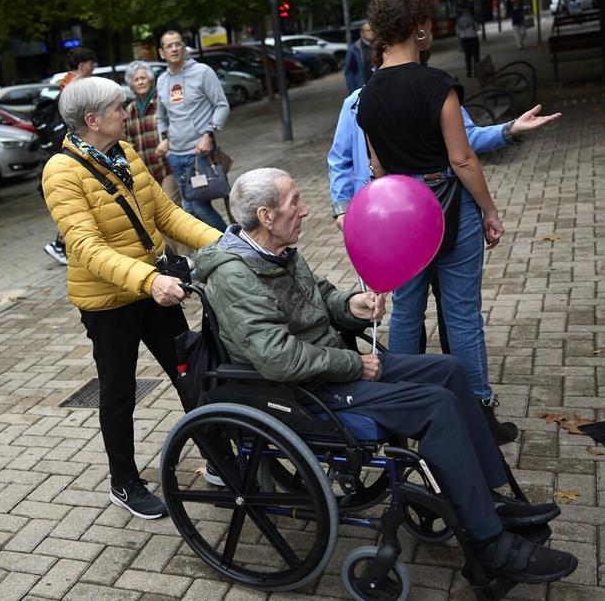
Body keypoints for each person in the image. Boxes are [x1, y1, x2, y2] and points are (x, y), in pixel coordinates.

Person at [195, 168, 577, 587]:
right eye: (295, 203)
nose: (305, 210)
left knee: (448, 370)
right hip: (301, 391)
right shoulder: (235, 274)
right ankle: (490, 545)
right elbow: (278, 359)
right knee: (435, 406)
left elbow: (321, 296)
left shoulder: (279, 250)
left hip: (330, 367)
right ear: (266, 216)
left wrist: (350, 304)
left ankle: (487, 497)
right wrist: (356, 365)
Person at [42, 76, 222, 519]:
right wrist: (148, 280)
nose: (128, 113)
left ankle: (220, 456)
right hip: (110, 301)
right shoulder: (61, 172)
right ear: (93, 120)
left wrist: (225, 244)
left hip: (154, 287)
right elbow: (85, 247)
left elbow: (167, 215)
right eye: (120, 108)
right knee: (119, 390)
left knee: (190, 373)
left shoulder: (125, 154)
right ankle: (123, 481)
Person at [356, 0, 516, 442]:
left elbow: (379, 166)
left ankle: (405, 402)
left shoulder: (367, 95)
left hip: (401, 211)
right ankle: (477, 412)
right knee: (462, 313)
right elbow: (462, 159)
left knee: (406, 311)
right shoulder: (438, 85)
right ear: (421, 27)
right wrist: (489, 210)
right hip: (449, 206)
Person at [328, 85, 561, 367]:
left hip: (443, 207)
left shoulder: (429, 89)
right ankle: (419, 384)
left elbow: (466, 138)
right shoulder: (358, 101)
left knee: (447, 305)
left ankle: (446, 378)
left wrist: (510, 130)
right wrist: (342, 209)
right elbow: (340, 159)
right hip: (387, 216)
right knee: (409, 308)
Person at [155, 30, 231, 231]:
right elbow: (161, 117)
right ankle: (211, 252)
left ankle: (230, 243)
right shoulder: (161, 80)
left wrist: (209, 135)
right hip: (175, 155)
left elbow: (222, 106)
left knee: (198, 205)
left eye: (178, 44)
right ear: (161, 53)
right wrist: (163, 138)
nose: (174, 49)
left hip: (199, 153)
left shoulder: (203, 72)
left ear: (184, 47)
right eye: (169, 46)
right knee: (189, 207)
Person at [39, 47, 98, 265]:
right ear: (83, 64)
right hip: (75, 149)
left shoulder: (63, 82)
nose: (93, 68)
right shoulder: (76, 86)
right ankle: (61, 245)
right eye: (91, 63)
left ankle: (61, 244)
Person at [124, 61, 188, 257]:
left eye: (143, 78)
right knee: (156, 214)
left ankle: (186, 254)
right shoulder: (130, 109)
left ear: (151, 80)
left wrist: (167, 141)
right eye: (136, 79)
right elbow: (128, 139)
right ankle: (173, 256)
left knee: (171, 208)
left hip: (167, 165)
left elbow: (174, 125)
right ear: (131, 84)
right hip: (145, 171)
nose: (140, 82)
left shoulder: (161, 102)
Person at [343, 22, 375, 92]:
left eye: (372, 30)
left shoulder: (378, 46)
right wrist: (353, 90)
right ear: (362, 33)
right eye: (368, 30)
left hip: (378, 87)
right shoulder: (354, 49)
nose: (371, 32)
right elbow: (348, 71)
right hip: (362, 89)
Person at [457, 9, 481, 78]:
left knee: (467, 57)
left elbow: (458, 32)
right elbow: (478, 28)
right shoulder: (472, 18)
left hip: (464, 39)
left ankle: (469, 73)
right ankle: (477, 72)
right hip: (473, 38)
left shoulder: (459, 21)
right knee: (476, 56)